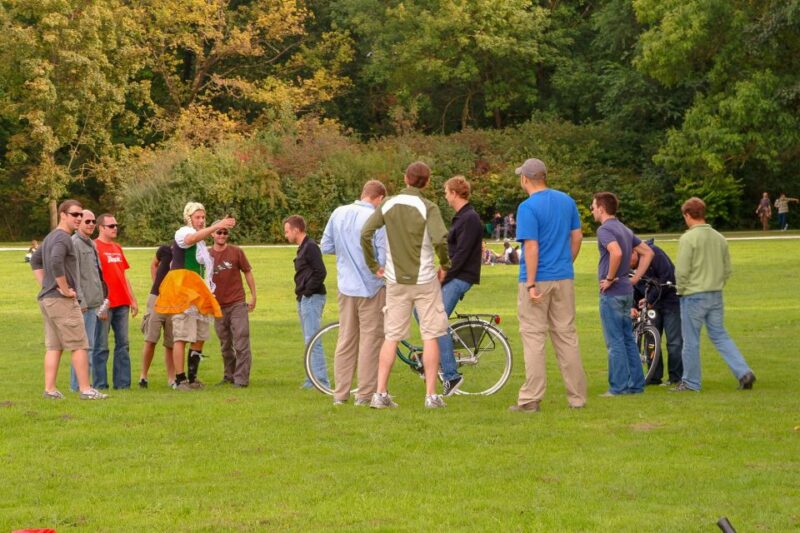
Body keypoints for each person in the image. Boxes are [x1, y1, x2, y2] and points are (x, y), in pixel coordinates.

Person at [362, 161, 451, 409]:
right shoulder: (428, 207)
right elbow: (441, 238)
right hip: (424, 280)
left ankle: (380, 394)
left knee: (391, 335)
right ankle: (431, 396)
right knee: (430, 335)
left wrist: (374, 265)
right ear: (427, 182)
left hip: (395, 280)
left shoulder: (388, 203)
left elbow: (365, 233)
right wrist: (445, 264)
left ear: (405, 178)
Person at [510, 158, 587, 412]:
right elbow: (576, 237)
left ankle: (531, 398)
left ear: (525, 179)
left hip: (537, 279)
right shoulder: (567, 201)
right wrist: (566, 262)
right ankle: (577, 398)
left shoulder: (527, 207)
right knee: (566, 336)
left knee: (533, 337)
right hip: (563, 277)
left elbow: (531, 246)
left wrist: (531, 283)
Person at [672, 197, 756, 392]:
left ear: (687, 215)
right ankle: (743, 372)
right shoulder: (719, 237)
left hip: (693, 295)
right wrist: (717, 283)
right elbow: (727, 269)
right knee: (720, 335)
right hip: (715, 294)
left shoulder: (688, 238)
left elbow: (682, 271)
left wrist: (680, 290)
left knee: (690, 340)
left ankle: (691, 382)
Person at [30, 199, 107, 400]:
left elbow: (36, 261)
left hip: (48, 299)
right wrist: (62, 288)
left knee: (54, 346)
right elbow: (55, 261)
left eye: (81, 215)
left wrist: (46, 284)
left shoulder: (50, 237)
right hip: (60, 300)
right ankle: (85, 389)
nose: (79, 218)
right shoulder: (63, 238)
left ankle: (50, 390)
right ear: (63, 215)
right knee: (80, 344)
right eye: (75, 214)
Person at [320, 180, 387, 405]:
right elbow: (383, 258)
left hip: (345, 286)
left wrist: (346, 256)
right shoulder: (376, 219)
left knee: (346, 339)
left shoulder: (339, 212)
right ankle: (364, 394)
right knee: (370, 340)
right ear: (379, 198)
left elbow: (326, 246)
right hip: (371, 287)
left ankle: (340, 394)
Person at [155, 202, 235, 390]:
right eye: (197, 217)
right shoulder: (182, 232)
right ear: (189, 218)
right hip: (184, 291)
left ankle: (192, 377)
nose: (201, 221)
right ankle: (180, 379)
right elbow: (190, 239)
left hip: (198, 292)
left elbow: (205, 268)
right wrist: (215, 226)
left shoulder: (202, 241)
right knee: (182, 335)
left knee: (200, 335)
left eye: (203, 217)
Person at [592, 192, 654, 397]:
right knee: (628, 339)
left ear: (601, 208)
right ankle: (636, 385)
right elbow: (648, 252)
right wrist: (634, 278)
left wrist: (609, 278)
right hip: (627, 292)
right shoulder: (625, 229)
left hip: (612, 294)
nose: (592, 210)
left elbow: (616, 252)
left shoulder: (605, 230)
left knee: (615, 342)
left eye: (593, 206)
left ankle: (617, 387)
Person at [436, 175, 483, 396]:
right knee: (428, 316)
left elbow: (462, 254)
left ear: (455, 193)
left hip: (461, 276)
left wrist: (444, 275)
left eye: (446, 192)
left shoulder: (469, 218)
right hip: (456, 274)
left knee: (436, 321)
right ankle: (440, 352)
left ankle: (451, 375)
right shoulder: (462, 217)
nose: (445, 196)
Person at [93, 213, 138, 390]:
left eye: (116, 225)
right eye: (111, 226)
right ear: (101, 228)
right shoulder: (94, 247)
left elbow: (123, 275)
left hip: (122, 303)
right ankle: (100, 385)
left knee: (123, 345)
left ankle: (123, 384)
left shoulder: (117, 247)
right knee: (101, 346)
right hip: (104, 303)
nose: (115, 228)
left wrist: (132, 299)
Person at [284, 214, 330, 389]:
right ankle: (312, 379)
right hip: (304, 298)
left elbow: (321, 272)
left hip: (312, 298)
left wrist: (307, 292)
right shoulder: (303, 247)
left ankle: (320, 381)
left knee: (313, 339)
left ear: (296, 229)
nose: (286, 235)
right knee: (309, 339)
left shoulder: (310, 247)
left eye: (287, 231)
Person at [630, 240, 683, 386]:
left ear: (634, 251)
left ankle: (676, 378)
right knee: (651, 341)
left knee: (674, 342)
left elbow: (667, 277)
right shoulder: (629, 265)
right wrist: (633, 305)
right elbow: (632, 287)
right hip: (651, 303)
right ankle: (653, 377)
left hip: (670, 301)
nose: (628, 265)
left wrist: (649, 299)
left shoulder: (654, 254)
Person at [210, 226, 256, 388]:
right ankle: (229, 375)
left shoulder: (236, 252)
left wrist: (253, 295)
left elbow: (248, 272)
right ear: (212, 234)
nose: (222, 235)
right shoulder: (207, 255)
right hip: (217, 306)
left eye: (225, 233)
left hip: (237, 303)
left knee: (241, 340)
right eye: (219, 232)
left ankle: (241, 379)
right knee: (225, 344)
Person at [70, 209, 108, 392]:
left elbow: (97, 275)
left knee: (91, 347)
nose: (91, 224)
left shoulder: (91, 244)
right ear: (79, 223)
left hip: (96, 302)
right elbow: (74, 276)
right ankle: (78, 386)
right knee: (83, 348)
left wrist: (102, 302)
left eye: (93, 221)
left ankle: (85, 384)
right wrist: (81, 301)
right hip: (85, 305)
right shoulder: (74, 244)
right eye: (87, 221)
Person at [138, 244, 176, 388]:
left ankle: (172, 378)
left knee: (171, 342)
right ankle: (143, 376)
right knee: (150, 339)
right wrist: (156, 284)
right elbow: (154, 264)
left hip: (174, 301)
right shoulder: (165, 250)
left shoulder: (186, 255)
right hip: (157, 299)